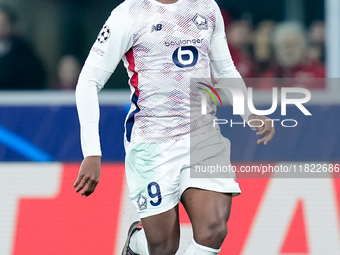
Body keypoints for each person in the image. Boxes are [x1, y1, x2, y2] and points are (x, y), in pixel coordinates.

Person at [74, 0, 275, 255]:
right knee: (164, 247)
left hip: (202, 135)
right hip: (152, 140)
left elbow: (225, 69)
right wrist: (92, 151)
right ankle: (137, 242)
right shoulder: (128, 13)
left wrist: (249, 111)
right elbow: (88, 81)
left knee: (214, 228)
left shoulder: (207, 7)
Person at [258, 22, 325, 90]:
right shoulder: (267, 79)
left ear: (303, 47)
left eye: (292, 45)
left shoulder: (321, 75)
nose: (288, 51)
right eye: (283, 46)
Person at [0, 4, 46, 90]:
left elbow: (36, 75)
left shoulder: (22, 50)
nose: (1, 26)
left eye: (3, 23)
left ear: (11, 25)